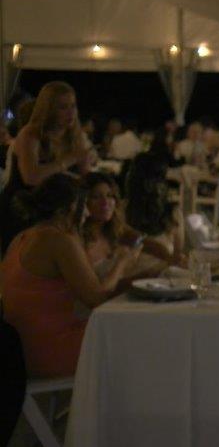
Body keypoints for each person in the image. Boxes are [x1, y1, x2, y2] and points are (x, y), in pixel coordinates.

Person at [1, 174, 139, 378]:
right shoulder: (59, 240)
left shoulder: (23, 236)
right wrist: (122, 263)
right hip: (48, 351)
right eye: (84, 204)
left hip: (17, 350)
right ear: (70, 208)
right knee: (140, 334)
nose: (86, 214)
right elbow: (97, 298)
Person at [0, 82, 94, 254]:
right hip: (23, 210)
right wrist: (70, 159)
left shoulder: (74, 136)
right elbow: (31, 177)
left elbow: (83, 177)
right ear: (49, 109)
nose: (70, 112)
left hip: (55, 212)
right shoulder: (31, 135)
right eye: (63, 107)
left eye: (73, 106)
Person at [81, 172, 174, 279]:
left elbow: (144, 241)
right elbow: (97, 291)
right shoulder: (79, 239)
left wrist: (170, 257)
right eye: (96, 197)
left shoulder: (115, 229)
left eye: (109, 196)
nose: (105, 202)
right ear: (83, 202)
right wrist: (146, 273)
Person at [123, 151, 184, 270]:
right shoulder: (121, 211)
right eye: (155, 179)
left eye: (161, 179)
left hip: (163, 283)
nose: (160, 185)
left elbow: (176, 259)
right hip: (129, 283)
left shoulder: (172, 213)